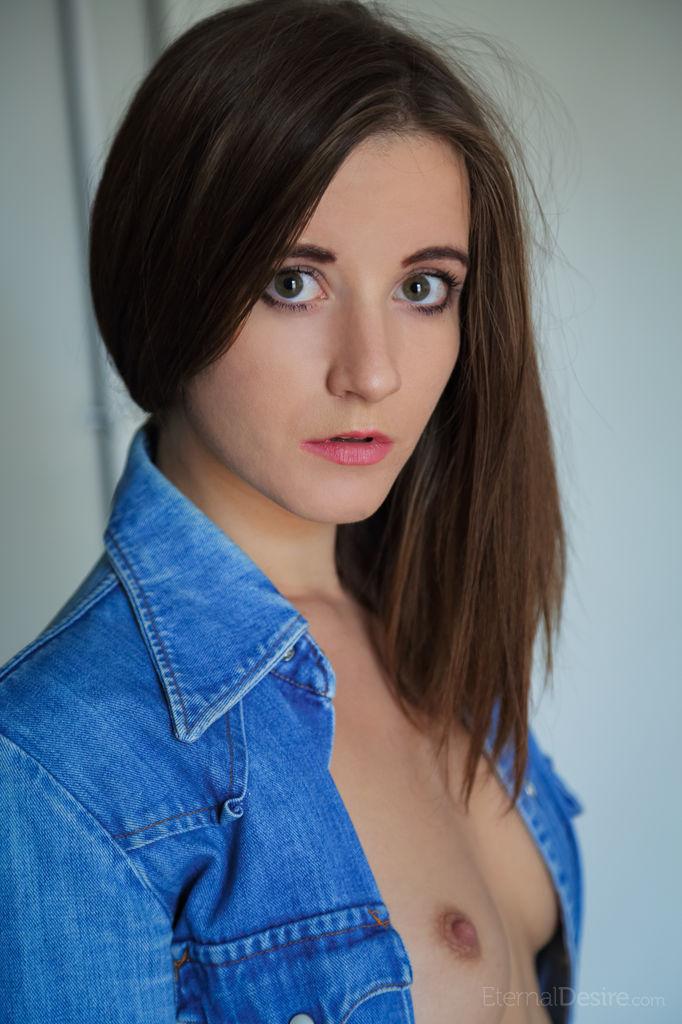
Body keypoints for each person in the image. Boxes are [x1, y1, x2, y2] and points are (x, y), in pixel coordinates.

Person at [0, 0, 586, 1021]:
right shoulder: (57, 765)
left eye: (422, 287)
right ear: (168, 283)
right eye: (292, 281)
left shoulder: (429, 620)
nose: (372, 373)